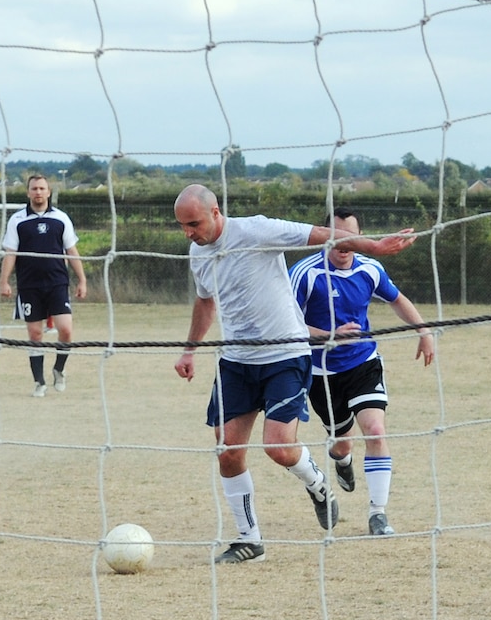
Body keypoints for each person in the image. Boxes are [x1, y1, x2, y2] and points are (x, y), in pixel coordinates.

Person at [171, 185, 415, 563]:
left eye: (193, 223)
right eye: (183, 226)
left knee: (279, 447)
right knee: (227, 451)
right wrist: (190, 350)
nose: (188, 232)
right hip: (236, 360)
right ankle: (249, 540)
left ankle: (317, 484)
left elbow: (321, 234)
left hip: (285, 354)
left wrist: (375, 248)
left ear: (216, 212)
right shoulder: (197, 253)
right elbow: (205, 302)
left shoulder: (256, 230)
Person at [289, 208, 435, 537]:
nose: (345, 245)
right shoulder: (304, 274)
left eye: (351, 237)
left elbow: (397, 300)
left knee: (376, 431)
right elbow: (287, 325)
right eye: (337, 237)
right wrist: (330, 336)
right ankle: (342, 460)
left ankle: (378, 514)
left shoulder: (370, 269)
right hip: (321, 375)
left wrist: (424, 332)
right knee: (342, 443)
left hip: (363, 363)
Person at [0, 173, 86, 396]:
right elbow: (11, 253)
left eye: (42, 189)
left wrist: (82, 280)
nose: (38, 192)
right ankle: (39, 382)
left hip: (57, 283)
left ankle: (59, 369)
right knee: (35, 335)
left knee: (65, 329)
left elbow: (71, 251)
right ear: (28, 192)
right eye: (34, 189)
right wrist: (4, 281)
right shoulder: (17, 220)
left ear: (48, 192)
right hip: (29, 286)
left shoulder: (61, 218)